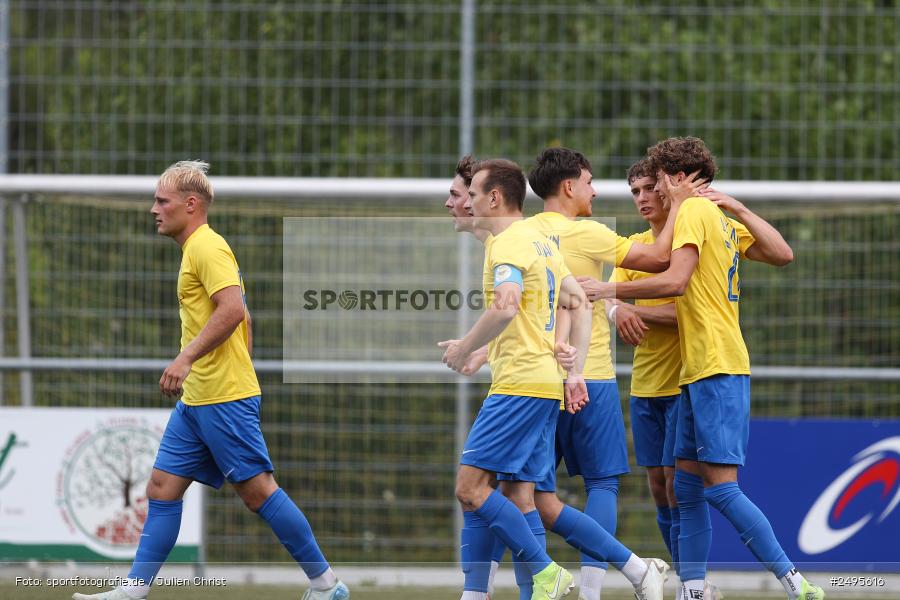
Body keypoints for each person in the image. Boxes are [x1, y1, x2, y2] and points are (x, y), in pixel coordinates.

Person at [73, 161, 348, 600]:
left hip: (221, 398)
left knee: (259, 493)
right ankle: (132, 592)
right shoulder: (196, 249)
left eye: (162, 201)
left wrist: (187, 361)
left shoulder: (207, 247)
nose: (153, 210)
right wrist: (231, 365)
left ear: (191, 204)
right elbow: (243, 315)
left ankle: (326, 585)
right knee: (162, 488)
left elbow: (233, 310)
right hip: (200, 399)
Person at [579, 137, 823, 600]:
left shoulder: (692, 211)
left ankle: (798, 584)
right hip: (696, 369)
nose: (652, 195)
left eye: (657, 183)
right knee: (685, 489)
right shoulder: (712, 215)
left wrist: (606, 292)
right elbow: (782, 254)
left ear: (673, 178)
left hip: (716, 363)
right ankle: (693, 590)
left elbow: (675, 279)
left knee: (720, 490)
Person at [522, 147, 701, 600]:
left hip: (534, 379)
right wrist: (680, 201)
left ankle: (523, 587)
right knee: (602, 483)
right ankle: (594, 590)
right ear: (569, 187)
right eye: (588, 182)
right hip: (589, 375)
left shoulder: (521, 235)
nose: (594, 191)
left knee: (522, 492)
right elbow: (662, 258)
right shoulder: (588, 233)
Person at [439, 158, 594, 600]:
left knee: (470, 488)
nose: (465, 202)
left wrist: (465, 347)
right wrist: (573, 368)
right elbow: (579, 300)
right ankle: (536, 585)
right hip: (542, 385)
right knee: (518, 494)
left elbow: (506, 306)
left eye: (471, 195)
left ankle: (548, 573)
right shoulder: (538, 240)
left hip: (520, 386)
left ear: (493, 197)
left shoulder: (506, 243)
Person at [607, 158, 720, 600]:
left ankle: (695, 582)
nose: (641, 199)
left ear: (666, 191)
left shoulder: (686, 245)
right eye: (633, 192)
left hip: (684, 383)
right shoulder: (635, 247)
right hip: (645, 385)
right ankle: (680, 576)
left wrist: (632, 309)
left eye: (647, 189)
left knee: (680, 485)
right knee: (657, 485)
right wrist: (618, 310)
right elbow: (609, 300)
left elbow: (683, 310)